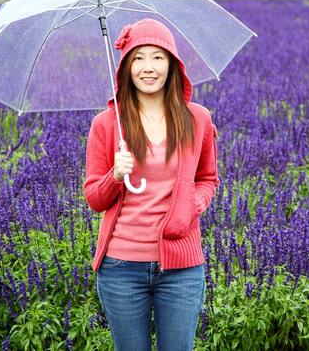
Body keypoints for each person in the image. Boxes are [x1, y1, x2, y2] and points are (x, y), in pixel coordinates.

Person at [83, 18, 220, 351]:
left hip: (182, 268)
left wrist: (192, 203)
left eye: (158, 58)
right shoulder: (106, 124)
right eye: (138, 58)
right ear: (126, 67)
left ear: (173, 65)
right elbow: (94, 199)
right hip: (120, 268)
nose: (148, 67)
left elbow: (207, 179)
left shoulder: (196, 118)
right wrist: (115, 176)